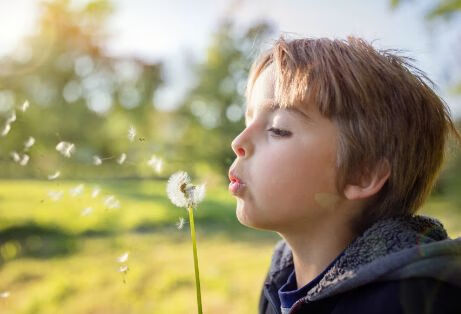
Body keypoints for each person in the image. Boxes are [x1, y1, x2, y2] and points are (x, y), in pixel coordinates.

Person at [228, 35, 461, 314]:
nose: (238, 141)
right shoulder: (279, 281)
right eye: (248, 120)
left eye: (278, 129)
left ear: (362, 174)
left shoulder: (413, 301)